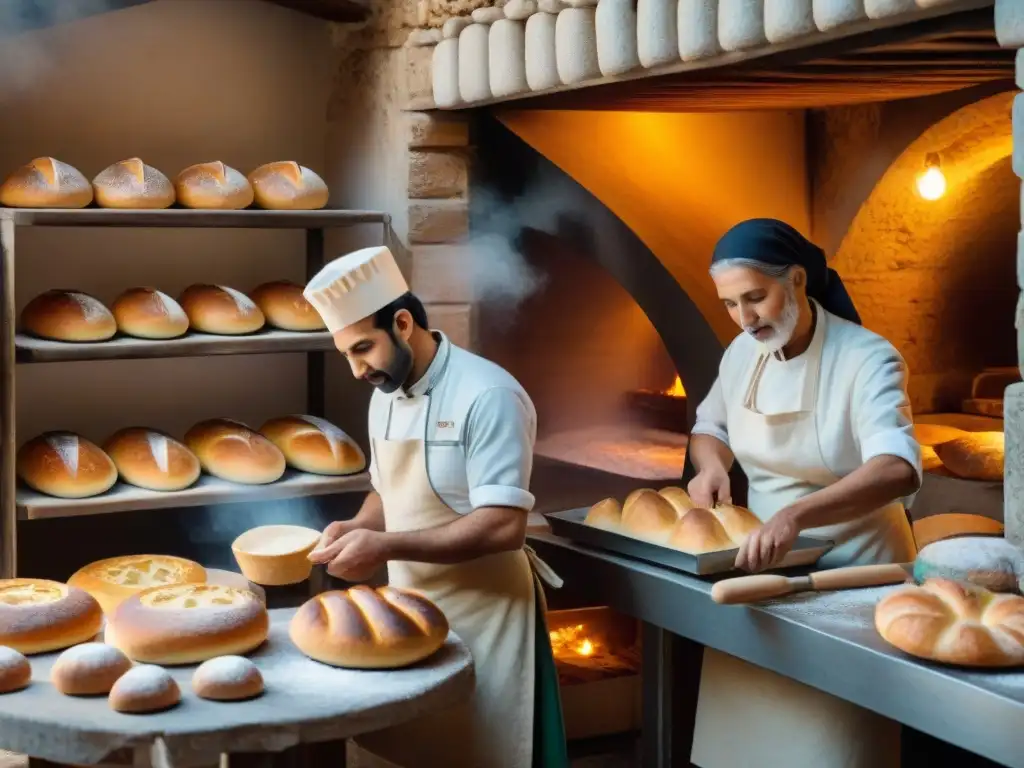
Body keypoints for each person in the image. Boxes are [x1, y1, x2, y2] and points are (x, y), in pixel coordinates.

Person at [301, 245, 569, 768]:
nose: (357, 371)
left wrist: (385, 547)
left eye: (363, 349)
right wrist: (357, 526)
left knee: (486, 752)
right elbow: (387, 490)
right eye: (347, 356)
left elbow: (502, 527)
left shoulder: (487, 394)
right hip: (409, 614)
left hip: (488, 617)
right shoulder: (384, 394)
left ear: (402, 323)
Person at [686, 218, 921, 768]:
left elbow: (897, 468)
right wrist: (711, 466)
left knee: (829, 745)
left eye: (755, 298)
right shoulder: (741, 354)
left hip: (853, 575)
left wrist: (796, 513)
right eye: (729, 305)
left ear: (796, 279)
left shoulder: (868, 358)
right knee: (741, 740)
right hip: (761, 566)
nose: (744, 320)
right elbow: (709, 428)